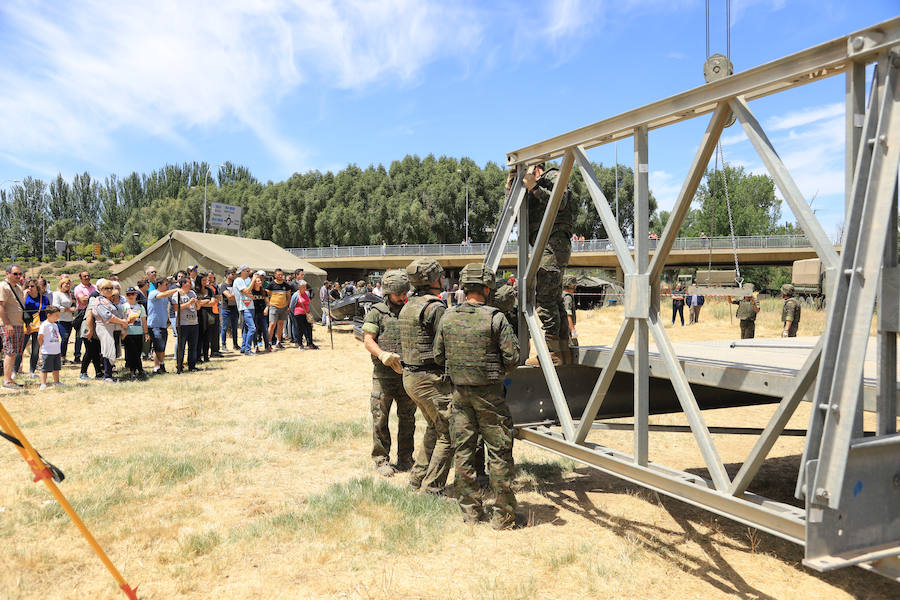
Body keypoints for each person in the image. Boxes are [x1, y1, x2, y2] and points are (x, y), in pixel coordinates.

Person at [434, 263, 519, 528]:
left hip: (459, 395)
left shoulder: (448, 316)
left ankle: (470, 513)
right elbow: (512, 357)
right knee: (498, 451)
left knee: (464, 451)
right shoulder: (496, 318)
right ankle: (503, 516)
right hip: (490, 396)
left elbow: (438, 356)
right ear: (486, 287)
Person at [399, 257, 453, 493]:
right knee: (449, 433)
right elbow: (446, 346)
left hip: (411, 377)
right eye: (441, 276)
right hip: (429, 379)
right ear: (433, 279)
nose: (444, 279)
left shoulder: (409, 304)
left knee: (435, 427)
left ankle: (417, 478)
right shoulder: (435, 307)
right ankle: (431, 489)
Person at [362, 269, 416, 477]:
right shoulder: (377, 312)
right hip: (383, 375)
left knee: (408, 418)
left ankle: (405, 459)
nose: (402, 298)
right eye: (398, 294)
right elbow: (368, 339)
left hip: (407, 373)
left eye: (405, 293)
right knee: (380, 417)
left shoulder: (410, 309)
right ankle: (381, 459)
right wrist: (382, 354)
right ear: (387, 293)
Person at [523, 162, 574, 365]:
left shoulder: (552, 176)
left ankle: (553, 354)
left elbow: (559, 201)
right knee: (554, 298)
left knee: (545, 299)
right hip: (548, 245)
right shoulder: (536, 185)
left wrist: (534, 187)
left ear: (536, 167)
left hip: (553, 243)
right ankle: (562, 351)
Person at [93, 279, 136, 382]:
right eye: (105, 288)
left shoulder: (110, 300)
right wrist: (122, 322)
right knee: (108, 350)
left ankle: (109, 373)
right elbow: (107, 316)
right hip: (105, 328)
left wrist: (127, 320)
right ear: (100, 289)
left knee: (113, 350)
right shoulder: (99, 300)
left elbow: (119, 312)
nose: (108, 290)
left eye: (110, 288)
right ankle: (107, 376)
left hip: (115, 328)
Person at [0, 265, 27, 389]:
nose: (18, 276)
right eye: (15, 274)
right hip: (9, 325)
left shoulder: (18, 288)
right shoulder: (3, 286)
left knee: (15, 352)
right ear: (7, 274)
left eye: (19, 274)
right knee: (10, 352)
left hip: (18, 324)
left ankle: (9, 378)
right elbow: (1, 306)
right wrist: (7, 324)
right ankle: (6, 381)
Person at [147, 277, 178, 374]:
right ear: (159, 285)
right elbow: (163, 294)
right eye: (166, 284)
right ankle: (159, 366)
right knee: (158, 347)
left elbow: (164, 308)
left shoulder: (165, 297)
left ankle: (159, 367)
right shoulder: (153, 293)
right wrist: (176, 289)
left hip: (163, 325)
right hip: (154, 325)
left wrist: (167, 320)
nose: (167, 286)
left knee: (162, 347)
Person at [23, 277, 51, 378]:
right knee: (21, 349)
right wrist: (24, 295)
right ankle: (15, 370)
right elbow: (20, 308)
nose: (29, 288)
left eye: (32, 286)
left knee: (35, 349)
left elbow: (48, 311)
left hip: (40, 325)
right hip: (26, 325)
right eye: (27, 286)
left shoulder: (44, 298)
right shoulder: (24, 297)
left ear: (37, 287)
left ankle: (32, 371)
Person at [171, 277, 200, 373]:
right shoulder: (177, 295)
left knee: (193, 346)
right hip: (182, 324)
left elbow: (197, 307)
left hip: (194, 323)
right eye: (188, 282)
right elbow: (176, 308)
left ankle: (192, 365)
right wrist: (188, 303)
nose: (191, 284)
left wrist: (197, 303)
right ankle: (179, 366)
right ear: (183, 284)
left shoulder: (193, 293)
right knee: (181, 346)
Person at [123, 287, 149, 379]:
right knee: (131, 353)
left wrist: (146, 333)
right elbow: (122, 320)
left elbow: (144, 321)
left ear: (136, 295)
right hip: (128, 333)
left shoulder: (140, 307)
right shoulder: (123, 307)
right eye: (128, 294)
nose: (130, 296)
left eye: (132, 294)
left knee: (138, 352)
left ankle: (139, 369)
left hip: (138, 332)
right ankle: (133, 370)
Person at [72, 270, 96, 363]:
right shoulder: (78, 288)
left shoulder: (94, 287)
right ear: (81, 278)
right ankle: (77, 355)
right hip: (82, 312)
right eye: (84, 276)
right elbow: (83, 301)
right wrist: (93, 298)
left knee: (92, 333)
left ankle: (91, 354)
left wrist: (88, 298)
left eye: (88, 275)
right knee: (79, 335)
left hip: (93, 311)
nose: (87, 277)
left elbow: (88, 300)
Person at [233, 265, 256, 355]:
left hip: (249, 306)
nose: (249, 273)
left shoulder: (244, 281)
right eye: (247, 271)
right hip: (245, 307)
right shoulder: (239, 280)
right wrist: (253, 280)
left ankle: (243, 347)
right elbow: (246, 292)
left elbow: (249, 293)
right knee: (252, 328)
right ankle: (247, 349)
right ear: (242, 271)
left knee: (246, 329)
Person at [38, 306, 63, 390]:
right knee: (45, 368)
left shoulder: (55, 325)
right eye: (56, 315)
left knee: (56, 368)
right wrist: (43, 346)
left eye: (58, 315)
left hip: (56, 350)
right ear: (49, 315)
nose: (58, 317)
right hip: (47, 351)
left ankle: (57, 382)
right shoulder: (44, 325)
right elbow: (40, 337)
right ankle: (43, 383)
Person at [266, 268, 291, 349]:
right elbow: (266, 295)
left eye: (281, 274)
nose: (280, 276)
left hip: (283, 307)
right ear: (275, 275)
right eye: (279, 274)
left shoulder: (286, 285)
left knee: (280, 325)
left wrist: (287, 305)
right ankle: (269, 342)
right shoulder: (271, 284)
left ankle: (278, 342)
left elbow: (288, 296)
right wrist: (268, 304)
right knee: (272, 324)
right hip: (273, 307)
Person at [289, 280, 317, 350]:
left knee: (309, 328)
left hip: (306, 314)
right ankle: (300, 344)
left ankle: (310, 344)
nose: (305, 288)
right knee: (300, 329)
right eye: (303, 287)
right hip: (298, 314)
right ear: (299, 287)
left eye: (305, 287)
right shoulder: (296, 295)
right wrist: (295, 313)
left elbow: (307, 303)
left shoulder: (306, 293)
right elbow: (291, 306)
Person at [219, 268, 239, 351]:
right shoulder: (223, 286)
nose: (233, 275)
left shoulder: (235, 284)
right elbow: (229, 297)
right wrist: (236, 296)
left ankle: (235, 344)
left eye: (234, 274)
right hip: (226, 309)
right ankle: (223, 345)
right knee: (225, 327)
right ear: (227, 275)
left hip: (235, 308)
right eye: (232, 274)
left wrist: (234, 297)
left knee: (235, 327)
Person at [562, 274, 578, 347]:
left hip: (561, 327)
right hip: (566, 328)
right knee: (573, 348)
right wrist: (572, 330)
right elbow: (568, 314)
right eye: (574, 286)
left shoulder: (560, 295)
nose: (575, 287)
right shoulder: (568, 297)